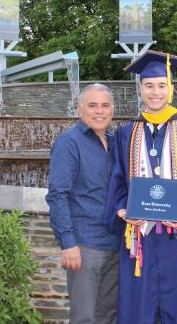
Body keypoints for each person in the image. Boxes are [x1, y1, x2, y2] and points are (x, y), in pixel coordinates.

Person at [105, 50, 177, 324]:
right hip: (139, 237)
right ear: (140, 89)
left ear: (172, 89)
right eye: (149, 85)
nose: (155, 92)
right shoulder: (126, 133)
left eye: (162, 85)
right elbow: (117, 180)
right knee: (139, 307)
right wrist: (121, 210)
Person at [46, 83, 120, 324]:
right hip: (86, 246)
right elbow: (57, 195)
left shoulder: (115, 143)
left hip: (116, 244)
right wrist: (68, 242)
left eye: (105, 105)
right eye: (92, 105)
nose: (99, 111)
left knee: (108, 315)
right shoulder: (69, 143)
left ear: (112, 110)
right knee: (85, 317)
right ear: (80, 109)